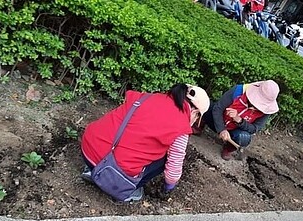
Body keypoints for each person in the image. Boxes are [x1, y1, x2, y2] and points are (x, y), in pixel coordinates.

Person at [80, 84, 210, 202]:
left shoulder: (150, 97)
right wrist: (168, 187)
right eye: (198, 117)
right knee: (165, 158)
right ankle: (126, 189)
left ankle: (92, 170)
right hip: (114, 169)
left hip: (88, 148)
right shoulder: (181, 127)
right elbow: (173, 172)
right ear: (195, 112)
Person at [193, 80, 280, 160]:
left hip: (233, 132)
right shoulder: (238, 91)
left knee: (244, 137)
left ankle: (228, 148)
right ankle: (199, 123)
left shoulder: (267, 110)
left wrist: (239, 120)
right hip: (218, 121)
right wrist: (221, 129)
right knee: (205, 104)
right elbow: (218, 108)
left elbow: (254, 129)